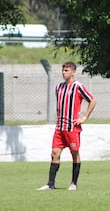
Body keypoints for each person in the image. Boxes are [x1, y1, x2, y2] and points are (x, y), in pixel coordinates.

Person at [37, 61, 96, 191]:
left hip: (72, 128)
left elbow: (92, 100)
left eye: (67, 71)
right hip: (60, 127)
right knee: (54, 153)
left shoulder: (78, 87)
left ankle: (74, 183)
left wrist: (84, 117)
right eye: (63, 70)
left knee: (74, 153)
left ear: (73, 72)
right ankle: (50, 184)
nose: (64, 73)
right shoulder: (58, 87)